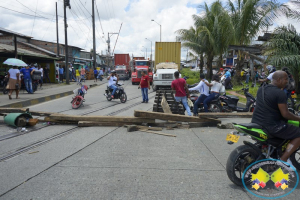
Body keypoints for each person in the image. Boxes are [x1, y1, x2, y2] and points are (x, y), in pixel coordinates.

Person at [252, 71, 300, 167]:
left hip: (256, 123)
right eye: (286, 79)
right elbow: (285, 114)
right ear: (279, 80)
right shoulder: (279, 93)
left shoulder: (261, 89)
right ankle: (283, 159)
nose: (287, 81)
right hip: (272, 126)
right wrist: (298, 118)